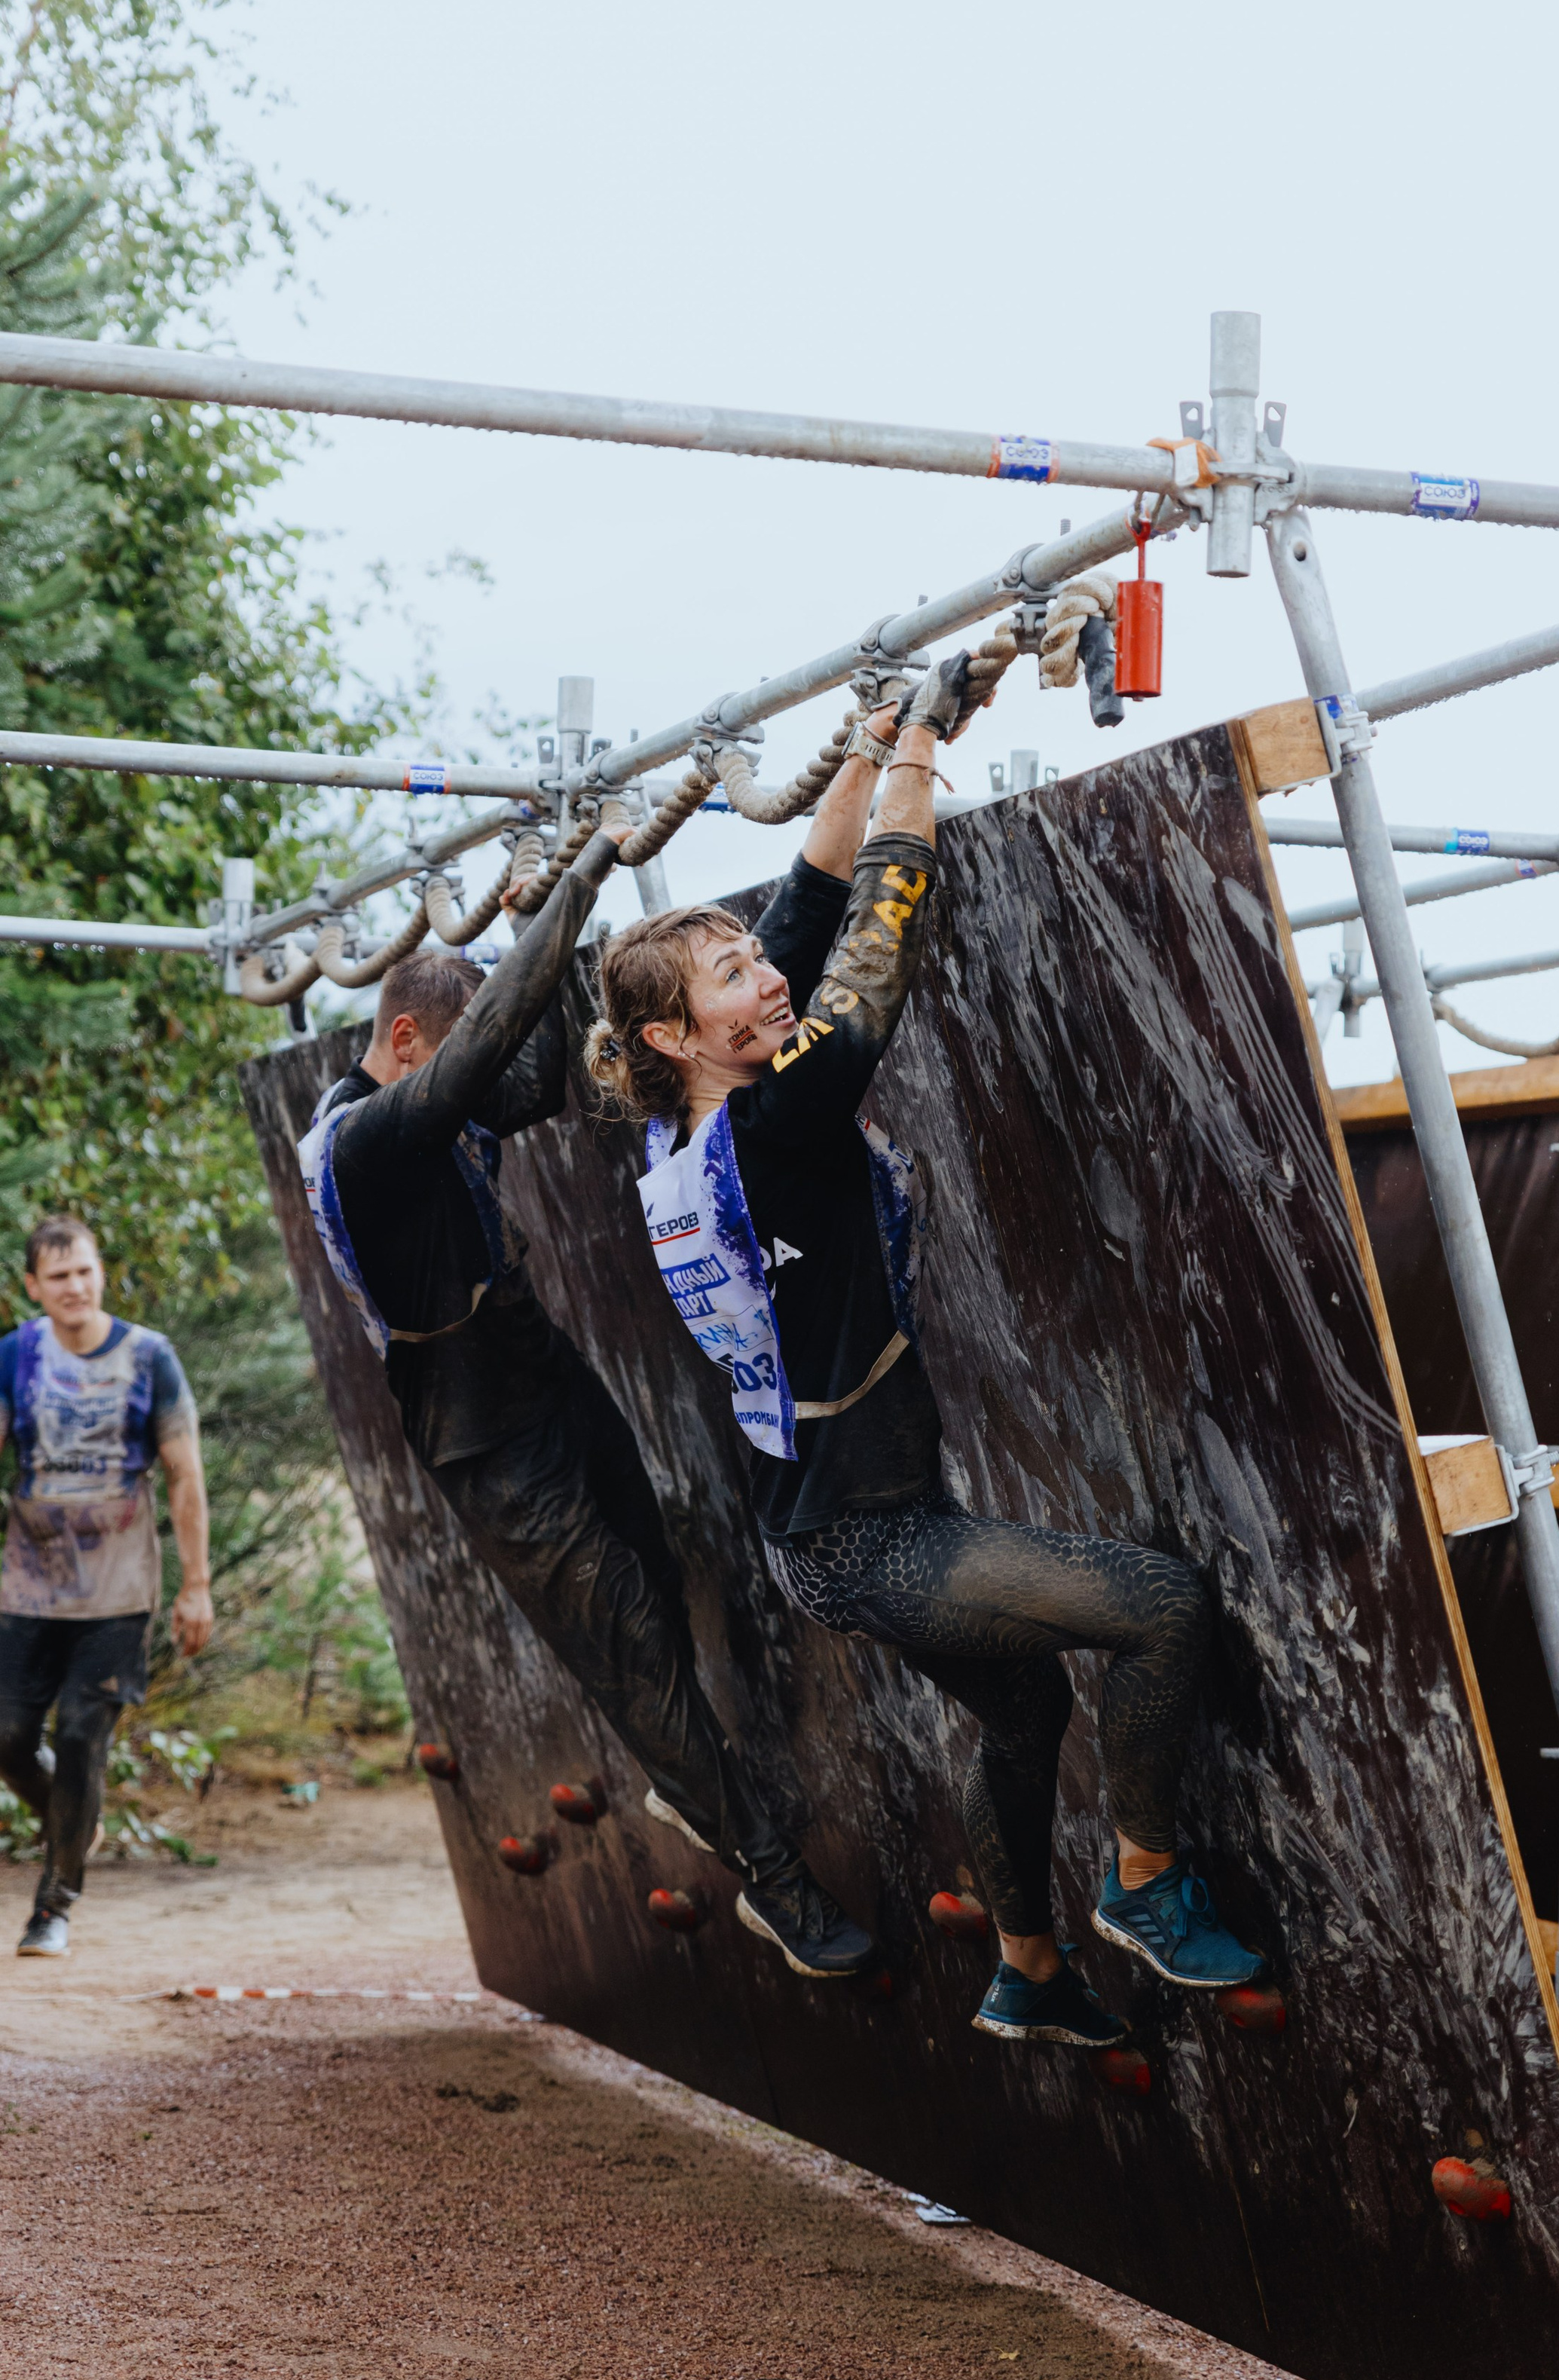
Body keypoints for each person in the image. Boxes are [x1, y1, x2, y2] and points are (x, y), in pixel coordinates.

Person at [588, 666, 1267, 2049]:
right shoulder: (775, 1124)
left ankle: (1027, 1971)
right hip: (868, 1539)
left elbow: (812, 906)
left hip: (841, 1523)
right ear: (673, 1036)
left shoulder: (683, 1133)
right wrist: (914, 764)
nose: (766, 983)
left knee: (1021, 1713)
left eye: (752, 967)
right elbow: (878, 934)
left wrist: (873, 742)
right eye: (734, 983)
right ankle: (1143, 1884)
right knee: (1164, 1606)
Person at [297, 815, 874, 1978]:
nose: (471, 1083)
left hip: (532, 1362)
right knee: (632, 1654)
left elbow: (534, 1085)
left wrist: (546, 944)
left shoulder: (428, 1088)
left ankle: (683, 1775)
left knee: (652, 1569)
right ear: (404, 1041)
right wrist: (577, 884)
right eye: (452, 1059)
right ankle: (779, 1884)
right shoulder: (362, 1142)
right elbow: (481, 1064)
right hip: (475, 1429)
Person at [0, 1214, 212, 1958]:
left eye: (85, 1271)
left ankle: (52, 1908)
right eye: (58, 1277)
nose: (75, 1287)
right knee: (7, 1737)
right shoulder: (15, 1357)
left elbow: (185, 1475)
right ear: (33, 1286)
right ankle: (72, 1813)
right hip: (28, 1585)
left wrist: (197, 1585)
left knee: (84, 1737)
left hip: (119, 1589)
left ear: (101, 1272)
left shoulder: (150, 1357)